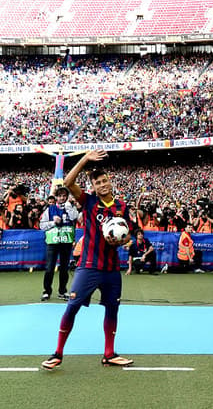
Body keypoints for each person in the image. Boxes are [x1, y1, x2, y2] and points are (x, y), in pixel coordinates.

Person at [42, 149, 134, 370]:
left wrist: (122, 241)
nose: (102, 185)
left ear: (110, 182)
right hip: (89, 266)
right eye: (98, 183)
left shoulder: (122, 207)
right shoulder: (89, 201)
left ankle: (109, 354)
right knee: (72, 306)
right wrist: (85, 159)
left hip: (112, 269)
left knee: (112, 309)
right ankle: (57, 353)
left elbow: (129, 234)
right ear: (93, 187)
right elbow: (67, 181)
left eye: (104, 181)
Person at [40, 186, 79, 301]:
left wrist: (68, 206)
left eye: (64, 196)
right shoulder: (49, 209)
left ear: (67, 197)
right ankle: (46, 291)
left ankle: (62, 291)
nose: (62, 198)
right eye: (60, 196)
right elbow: (42, 226)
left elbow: (74, 217)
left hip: (66, 242)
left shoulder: (71, 207)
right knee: (49, 268)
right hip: (53, 242)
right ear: (56, 197)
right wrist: (53, 222)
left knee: (64, 268)